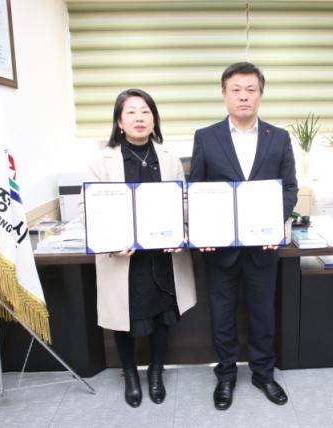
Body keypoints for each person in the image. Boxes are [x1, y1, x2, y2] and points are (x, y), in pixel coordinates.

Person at [189, 62, 298, 410]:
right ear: (224, 94)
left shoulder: (278, 137)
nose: (243, 96)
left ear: (261, 94)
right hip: (220, 248)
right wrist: (202, 230)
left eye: (251, 90)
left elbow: (290, 188)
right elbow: (196, 188)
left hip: (262, 247)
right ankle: (225, 377)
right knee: (222, 315)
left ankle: (263, 374)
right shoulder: (206, 137)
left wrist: (274, 223)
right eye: (236, 90)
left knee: (263, 314)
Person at [81, 89, 196, 408]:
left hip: (162, 256)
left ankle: (156, 371)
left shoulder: (169, 158)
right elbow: (87, 207)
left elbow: (183, 201)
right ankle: (130, 374)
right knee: (124, 318)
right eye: (131, 112)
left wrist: (182, 232)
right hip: (124, 258)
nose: (139, 118)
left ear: (154, 119)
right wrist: (111, 243)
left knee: (162, 316)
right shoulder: (101, 160)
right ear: (119, 121)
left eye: (145, 111)